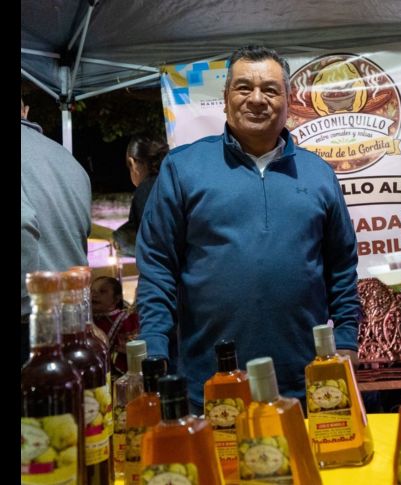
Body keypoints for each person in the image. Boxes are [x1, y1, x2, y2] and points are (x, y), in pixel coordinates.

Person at [135, 45, 361, 414]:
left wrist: (348, 338)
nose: (257, 99)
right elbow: (158, 266)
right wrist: (155, 348)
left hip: (306, 382)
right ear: (225, 99)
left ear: (288, 101)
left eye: (270, 90)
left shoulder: (319, 174)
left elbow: (342, 266)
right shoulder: (183, 168)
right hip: (208, 383)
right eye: (243, 88)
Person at [21, 97, 91, 367]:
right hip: (74, 320)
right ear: (25, 110)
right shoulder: (66, 158)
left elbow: (23, 223)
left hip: (33, 325)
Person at [111, 135, 168, 257]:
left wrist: (120, 239)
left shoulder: (146, 190)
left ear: (132, 163)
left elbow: (150, 241)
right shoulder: (176, 182)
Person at [91, 276, 140, 376]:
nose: (94, 295)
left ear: (117, 299)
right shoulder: (87, 321)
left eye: (102, 291)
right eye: (92, 291)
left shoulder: (128, 320)